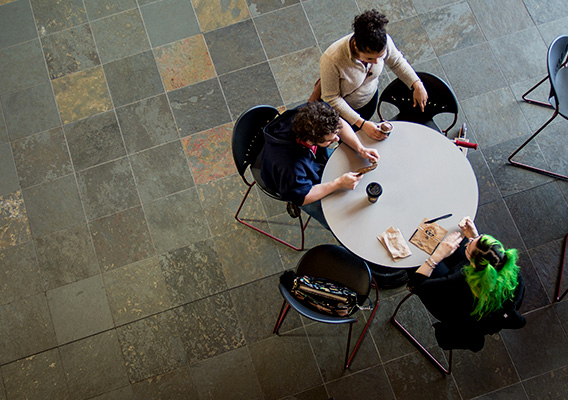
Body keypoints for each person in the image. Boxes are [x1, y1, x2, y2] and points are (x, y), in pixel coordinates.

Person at [407, 217, 525, 351]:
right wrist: (475, 237)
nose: (467, 244)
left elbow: (415, 285)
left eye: (469, 246)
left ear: (474, 265)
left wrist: (438, 256)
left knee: (413, 263)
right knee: (452, 244)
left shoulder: (460, 283)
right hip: (481, 311)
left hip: (452, 310)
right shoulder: (514, 276)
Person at [311, 9, 428, 141]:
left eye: (380, 56)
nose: (377, 62)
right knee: (348, 141)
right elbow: (331, 98)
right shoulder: (332, 59)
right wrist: (361, 123)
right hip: (343, 112)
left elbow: (396, 62)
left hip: (368, 100)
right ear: (355, 46)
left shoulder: (383, 41)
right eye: (370, 59)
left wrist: (416, 84)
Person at [261, 101, 379, 230]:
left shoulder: (316, 114)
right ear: (311, 140)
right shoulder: (291, 166)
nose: (337, 140)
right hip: (293, 186)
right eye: (330, 140)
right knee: (339, 223)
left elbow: (339, 124)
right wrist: (338, 183)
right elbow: (302, 196)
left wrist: (360, 148)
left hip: (313, 160)